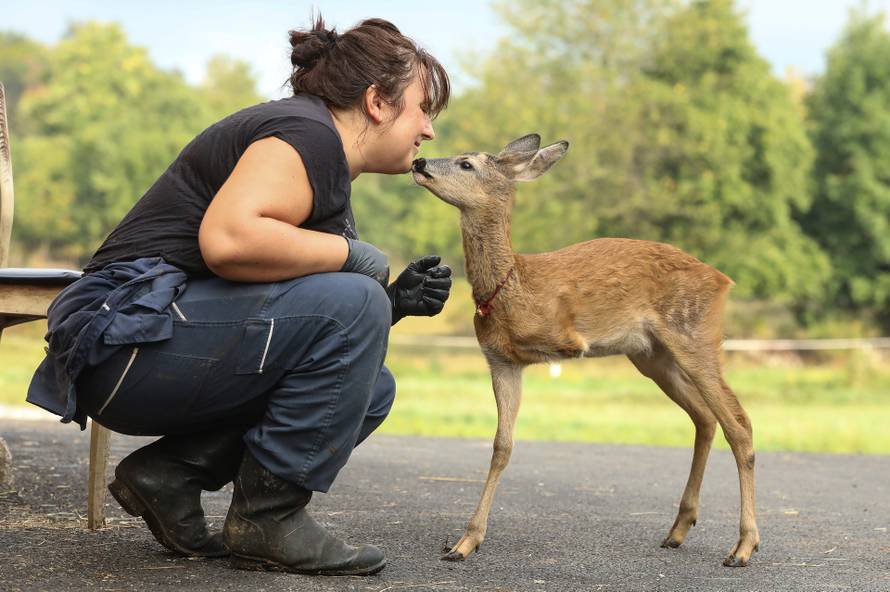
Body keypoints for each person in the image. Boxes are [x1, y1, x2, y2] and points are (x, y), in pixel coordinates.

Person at [26, 15, 453, 577]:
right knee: (357, 299)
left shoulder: (319, 158)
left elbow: (299, 325)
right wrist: (357, 261)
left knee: (369, 387)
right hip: (122, 336)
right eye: (424, 107)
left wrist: (390, 302)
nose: (428, 130)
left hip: (144, 340)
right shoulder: (306, 133)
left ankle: (171, 476)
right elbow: (229, 241)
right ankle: (268, 521)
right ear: (377, 101)